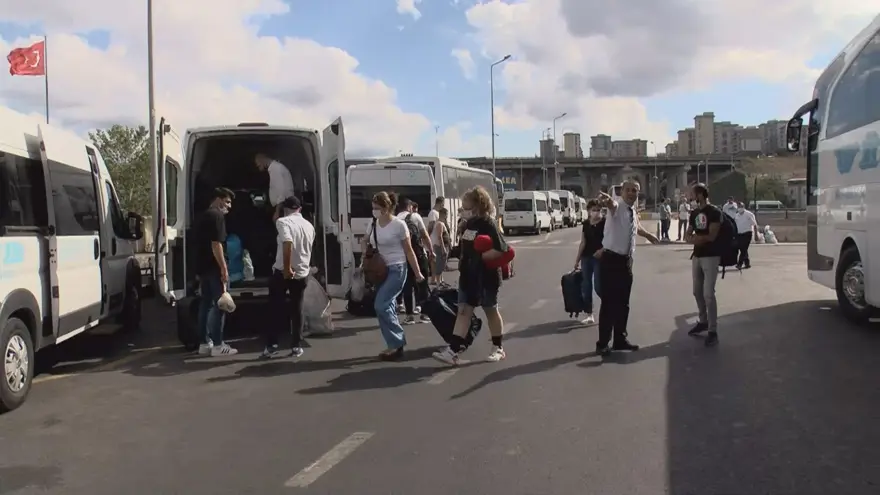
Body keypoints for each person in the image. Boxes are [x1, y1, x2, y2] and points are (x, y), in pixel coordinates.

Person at [433, 186, 510, 365]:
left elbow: (502, 249)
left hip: (486, 277)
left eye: (466, 207)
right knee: (463, 311)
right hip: (468, 276)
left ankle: (498, 347)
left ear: (477, 206)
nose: (463, 210)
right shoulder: (467, 224)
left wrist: (481, 257)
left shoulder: (489, 224)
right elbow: (464, 249)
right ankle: (453, 351)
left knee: (490, 310)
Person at [593, 180, 660, 356]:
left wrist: (649, 235)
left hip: (626, 262)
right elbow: (611, 204)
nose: (631, 193)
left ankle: (620, 340)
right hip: (611, 260)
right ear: (621, 192)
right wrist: (608, 200)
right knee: (609, 303)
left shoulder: (632, 210)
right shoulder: (617, 207)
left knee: (623, 304)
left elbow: (636, 227)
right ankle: (602, 343)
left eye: (635, 191)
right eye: (628, 190)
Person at [363, 192, 426, 361]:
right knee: (388, 305)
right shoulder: (373, 223)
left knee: (381, 305)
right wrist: (365, 253)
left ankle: (397, 342)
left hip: (397, 269)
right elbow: (365, 240)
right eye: (373, 207)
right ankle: (394, 345)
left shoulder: (399, 225)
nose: (374, 211)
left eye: (377, 208)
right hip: (379, 270)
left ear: (386, 207)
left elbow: (409, 250)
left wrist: (418, 272)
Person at [261, 196, 315, 359]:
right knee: (297, 308)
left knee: (275, 308)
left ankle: (272, 345)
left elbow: (287, 243)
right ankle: (296, 345)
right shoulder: (309, 225)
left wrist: (286, 268)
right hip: (302, 272)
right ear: (299, 209)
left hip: (283, 271)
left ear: (285, 209)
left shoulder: (283, 222)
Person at [195, 187, 237, 357]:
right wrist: (223, 268)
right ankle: (219, 345)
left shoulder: (202, 216)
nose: (229, 206)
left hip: (203, 266)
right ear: (218, 200)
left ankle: (204, 343)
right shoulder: (217, 216)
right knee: (221, 305)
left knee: (205, 305)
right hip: (214, 267)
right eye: (227, 202)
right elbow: (216, 244)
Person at [685, 183, 723, 347]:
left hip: (711, 257)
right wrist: (695, 239)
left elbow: (712, 236)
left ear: (700, 195)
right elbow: (688, 235)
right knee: (697, 292)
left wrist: (696, 239)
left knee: (708, 294)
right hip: (697, 256)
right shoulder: (694, 213)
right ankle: (703, 321)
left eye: (693, 194)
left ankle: (713, 331)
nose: (691, 197)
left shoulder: (714, 212)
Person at [396, 199, 433, 324]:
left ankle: (409, 315)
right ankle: (424, 314)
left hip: (403, 256)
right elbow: (424, 235)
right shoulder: (416, 217)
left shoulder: (396, 219)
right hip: (418, 255)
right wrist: (431, 251)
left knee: (407, 285)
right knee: (422, 283)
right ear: (409, 207)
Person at [573, 199, 604, 325]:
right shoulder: (586, 224)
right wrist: (577, 259)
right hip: (586, 257)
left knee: (598, 286)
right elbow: (583, 242)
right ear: (589, 211)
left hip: (599, 258)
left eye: (598, 210)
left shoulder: (605, 223)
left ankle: (609, 305)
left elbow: (609, 240)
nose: (596, 212)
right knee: (586, 286)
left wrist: (602, 250)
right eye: (594, 210)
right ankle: (589, 314)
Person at [254, 153, 295, 220]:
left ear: (262, 160)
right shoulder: (275, 168)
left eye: (258, 164)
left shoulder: (275, 169)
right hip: (283, 207)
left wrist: (277, 211)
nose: (258, 167)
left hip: (282, 208)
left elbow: (281, 192)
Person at [734, 201, 758, 269]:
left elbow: (755, 225)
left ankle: (739, 263)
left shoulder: (749, 214)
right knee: (742, 249)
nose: (740, 208)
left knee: (744, 248)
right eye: (738, 207)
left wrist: (756, 235)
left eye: (741, 206)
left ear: (744, 207)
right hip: (739, 234)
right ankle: (747, 263)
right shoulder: (737, 215)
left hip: (747, 233)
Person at [431, 208, 450, 285]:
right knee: (440, 263)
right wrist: (443, 248)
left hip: (442, 245)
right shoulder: (439, 223)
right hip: (440, 246)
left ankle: (441, 280)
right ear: (443, 214)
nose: (447, 216)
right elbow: (440, 236)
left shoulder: (440, 223)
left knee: (442, 263)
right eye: (447, 214)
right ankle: (438, 281)